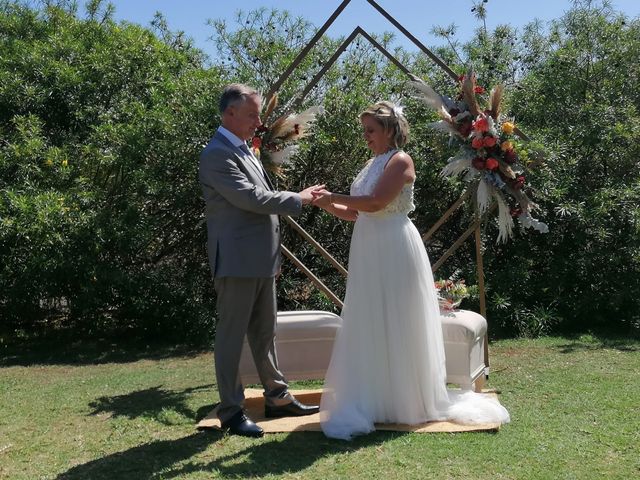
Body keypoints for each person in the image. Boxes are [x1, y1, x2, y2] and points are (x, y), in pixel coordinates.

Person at [312, 101, 510, 440]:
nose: (366, 137)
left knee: (399, 318)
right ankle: (376, 397)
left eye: (370, 130)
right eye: (365, 131)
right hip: (368, 245)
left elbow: (376, 202)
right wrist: (329, 203)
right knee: (371, 317)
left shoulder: (400, 161)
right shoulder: (371, 163)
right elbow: (358, 213)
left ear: (389, 130)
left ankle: (406, 399)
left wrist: (335, 193)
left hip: (393, 245)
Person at [199, 83, 322, 438]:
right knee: (231, 336)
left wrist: (273, 255)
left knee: (265, 333)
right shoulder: (216, 154)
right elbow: (251, 198)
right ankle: (232, 411)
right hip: (236, 261)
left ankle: (277, 397)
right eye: (252, 114)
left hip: (260, 259)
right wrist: (298, 198)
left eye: (258, 113)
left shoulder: (243, 148)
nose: (258, 121)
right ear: (229, 114)